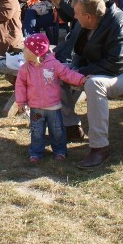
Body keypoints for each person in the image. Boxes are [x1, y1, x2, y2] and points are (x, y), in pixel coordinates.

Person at [55, 0, 123, 169]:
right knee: (59, 74)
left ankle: (100, 148)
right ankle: (71, 127)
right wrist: (72, 70)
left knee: (94, 84)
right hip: (100, 70)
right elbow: (81, 53)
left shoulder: (122, 25)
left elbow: (115, 64)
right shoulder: (90, 23)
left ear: (88, 16)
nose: (74, 16)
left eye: (76, 13)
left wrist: (81, 73)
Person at [15, 33, 88, 164]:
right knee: (36, 131)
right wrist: (21, 101)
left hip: (54, 107)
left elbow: (67, 74)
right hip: (36, 108)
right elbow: (20, 86)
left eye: (25, 48)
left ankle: (60, 151)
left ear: (35, 52)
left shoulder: (53, 64)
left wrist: (81, 79)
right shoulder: (25, 68)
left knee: (57, 130)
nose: (22, 50)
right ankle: (36, 152)